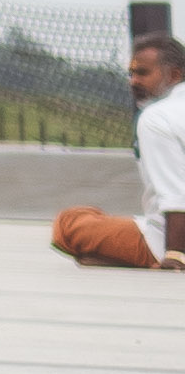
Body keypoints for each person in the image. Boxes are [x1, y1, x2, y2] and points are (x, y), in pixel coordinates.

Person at [55, 31, 184, 267]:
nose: (133, 81)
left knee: (69, 223)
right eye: (131, 73)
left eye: (143, 73)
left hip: (169, 242)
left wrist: (175, 256)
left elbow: (176, 194)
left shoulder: (157, 118)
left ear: (174, 74)